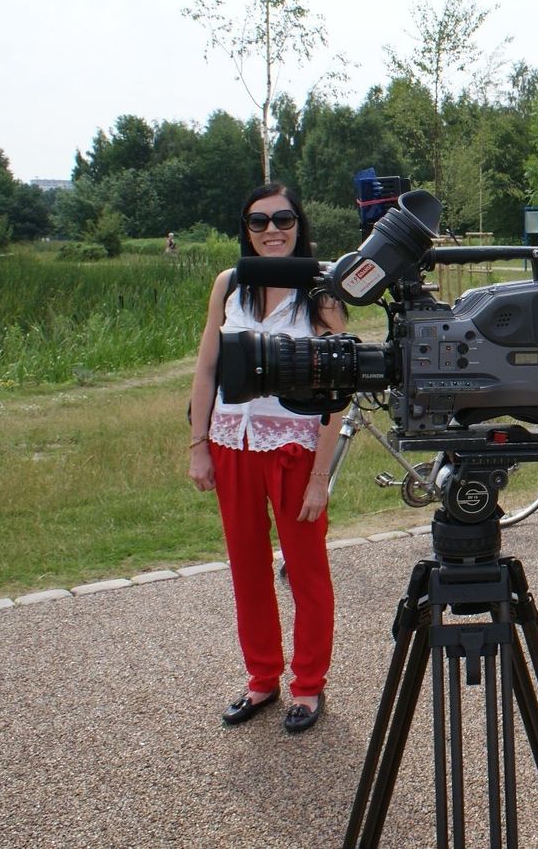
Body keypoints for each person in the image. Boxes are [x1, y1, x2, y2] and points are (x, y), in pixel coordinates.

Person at [188, 183, 345, 733]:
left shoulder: (322, 290)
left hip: (294, 449)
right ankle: (262, 677)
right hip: (233, 443)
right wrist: (199, 444)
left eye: (282, 219)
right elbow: (207, 368)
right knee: (247, 567)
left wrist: (320, 476)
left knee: (305, 569)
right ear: (246, 230)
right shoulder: (229, 284)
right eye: (259, 222)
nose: (272, 230)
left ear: (299, 224)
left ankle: (308, 684)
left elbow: (338, 390)